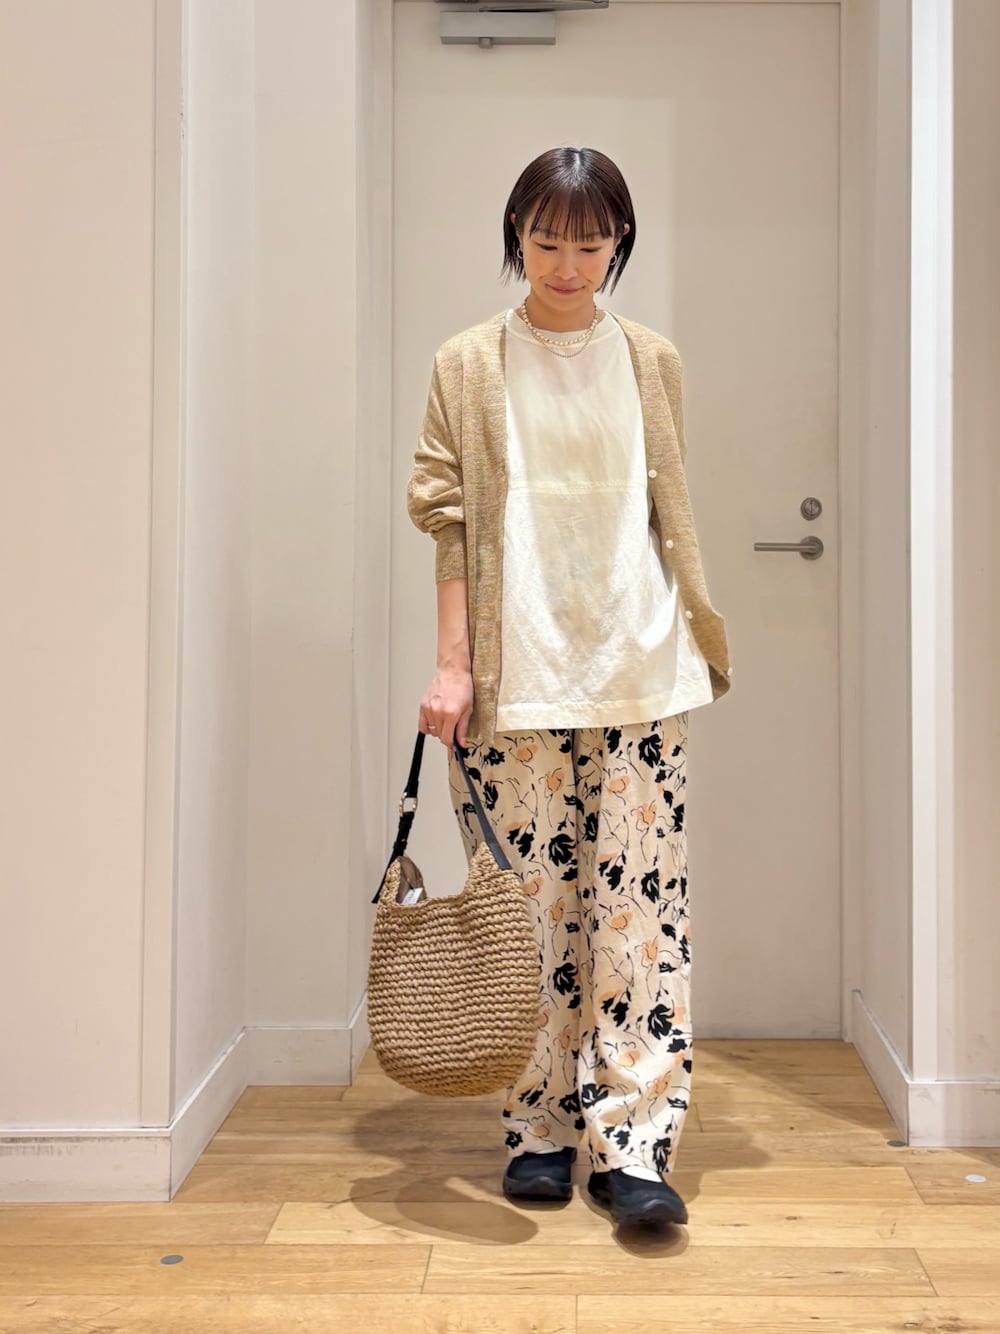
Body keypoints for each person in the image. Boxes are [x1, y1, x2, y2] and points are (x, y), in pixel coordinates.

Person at [406, 146, 732, 1231]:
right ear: (516, 235)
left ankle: (631, 1143)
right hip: (518, 677)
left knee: (639, 914)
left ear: (619, 243)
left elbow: (658, 514)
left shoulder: (651, 361)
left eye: (588, 244)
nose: (565, 263)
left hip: (639, 667)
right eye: (546, 240)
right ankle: (539, 1129)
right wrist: (452, 663)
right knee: (529, 914)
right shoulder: (467, 363)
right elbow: (447, 518)